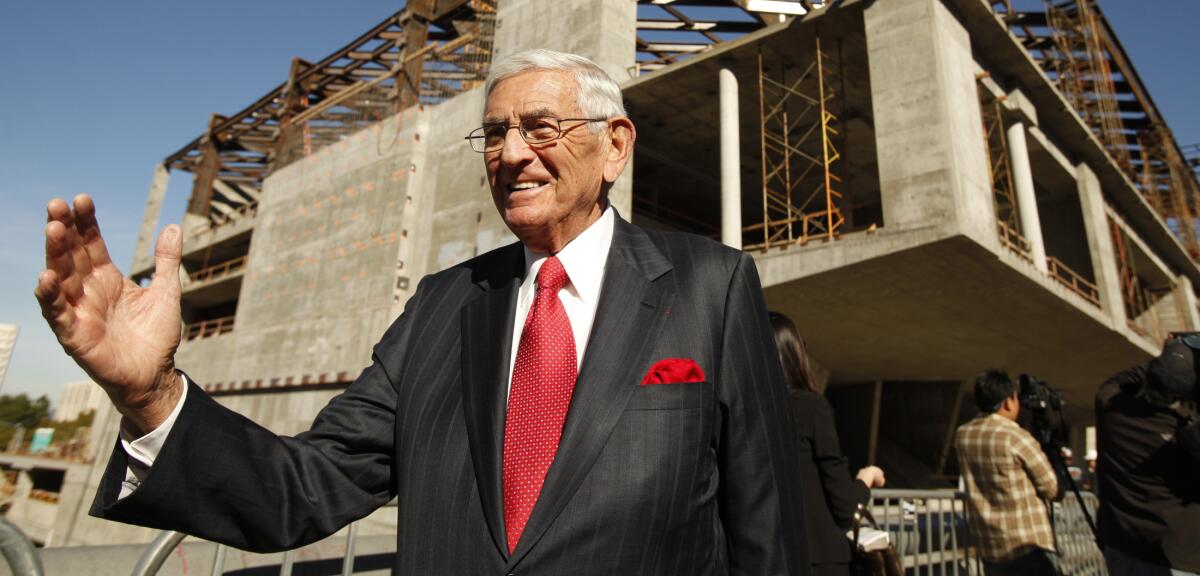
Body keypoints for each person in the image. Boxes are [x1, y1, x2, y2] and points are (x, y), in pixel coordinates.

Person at [34, 49, 809, 575]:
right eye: (495, 133)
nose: (510, 154)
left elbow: (766, 526)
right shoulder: (445, 306)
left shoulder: (711, 286)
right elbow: (307, 485)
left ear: (614, 147)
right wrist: (150, 394)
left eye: (539, 127)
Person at [769, 311, 885, 576]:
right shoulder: (811, 409)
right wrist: (865, 480)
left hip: (767, 558)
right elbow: (844, 506)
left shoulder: (743, 413)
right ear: (794, 353)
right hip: (820, 559)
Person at [1095, 336, 1200, 576]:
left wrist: (1169, 354)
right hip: (1175, 557)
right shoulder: (1183, 438)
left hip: (1120, 545)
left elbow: (1119, 381)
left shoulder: (1110, 411)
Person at [955, 370, 1061, 576]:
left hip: (990, 547)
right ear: (1008, 402)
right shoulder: (1015, 436)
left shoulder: (963, 435)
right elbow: (1051, 487)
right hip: (1026, 546)